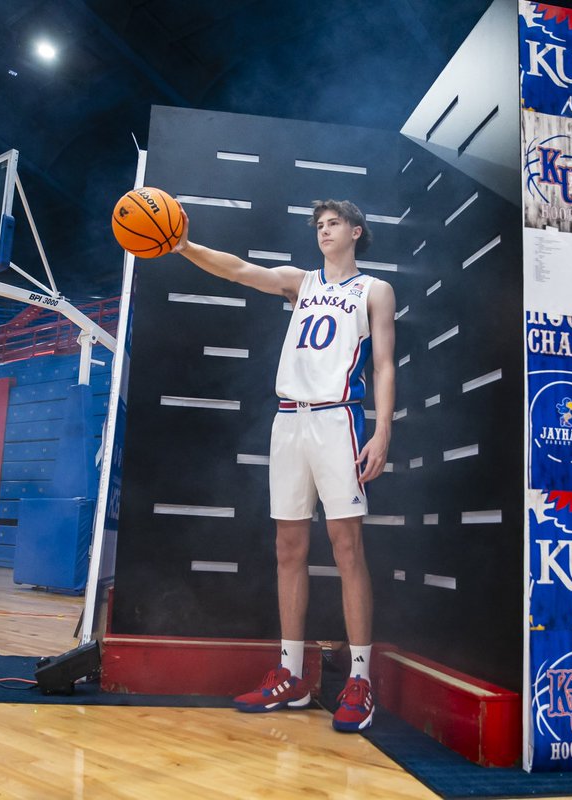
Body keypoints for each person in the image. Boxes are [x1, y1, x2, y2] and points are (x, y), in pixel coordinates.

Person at [172, 199, 396, 732]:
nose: (323, 230)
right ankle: (291, 673)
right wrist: (183, 247)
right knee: (288, 547)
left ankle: (360, 679)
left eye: (333, 223)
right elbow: (239, 269)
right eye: (318, 224)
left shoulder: (375, 291)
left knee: (346, 546)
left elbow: (385, 364)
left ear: (357, 232)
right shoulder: (301, 282)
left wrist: (383, 429)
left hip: (338, 420)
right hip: (289, 419)